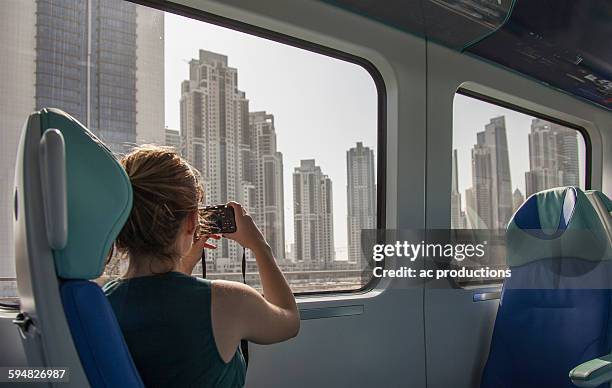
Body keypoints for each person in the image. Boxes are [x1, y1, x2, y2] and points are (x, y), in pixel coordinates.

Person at [103, 145, 300, 388]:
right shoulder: (229, 300)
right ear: (192, 221)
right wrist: (260, 247)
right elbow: (289, 321)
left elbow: (158, 308)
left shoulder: (100, 303)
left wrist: (183, 265)